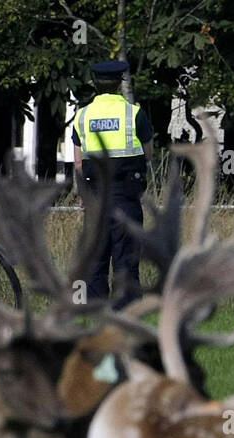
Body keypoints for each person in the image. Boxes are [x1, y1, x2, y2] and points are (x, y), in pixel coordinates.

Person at [72, 60, 154, 305]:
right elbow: (148, 155)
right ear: (120, 85)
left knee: (96, 260)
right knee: (126, 259)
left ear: (95, 85)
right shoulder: (134, 114)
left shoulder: (82, 116)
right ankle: (126, 312)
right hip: (125, 197)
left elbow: (78, 164)